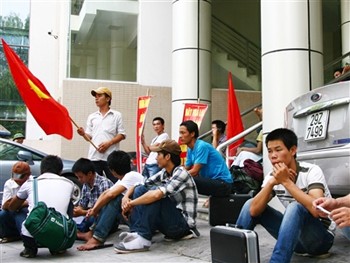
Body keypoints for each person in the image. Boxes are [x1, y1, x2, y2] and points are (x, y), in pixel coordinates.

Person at [236, 128, 335, 262]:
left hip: (320, 240)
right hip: (295, 242)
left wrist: (286, 182)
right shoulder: (272, 177)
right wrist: (272, 183)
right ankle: (234, 257)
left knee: (295, 207)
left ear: (293, 150)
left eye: (278, 150)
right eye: (270, 151)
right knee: (250, 203)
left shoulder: (311, 171)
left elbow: (317, 210)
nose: (273, 156)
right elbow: (253, 210)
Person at [114, 139, 199, 253]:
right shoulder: (165, 173)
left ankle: (143, 239)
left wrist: (131, 203)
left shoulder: (181, 173)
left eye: (158, 154)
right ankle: (137, 232)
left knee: (156, 194)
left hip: (183, 227)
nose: (155, 158)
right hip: (169, 223)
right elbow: (140, 184)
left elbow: (157, 195)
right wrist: (126, 197)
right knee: (141, 189)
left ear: (167, 156)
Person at [8, 155, 75, 258]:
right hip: (60, 234)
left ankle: (29, 248)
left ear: (41, 170)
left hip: (34, 235)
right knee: (69, 203)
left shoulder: (30, 183)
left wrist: (25, 203)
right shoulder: (69, 183)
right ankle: (58, 248)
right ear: (60, 171)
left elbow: (12, 207)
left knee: (19, 212)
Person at [76, 150, 144, 251]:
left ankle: (97, 238)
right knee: (105, 200)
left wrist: (94, 210)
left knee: (115, 198)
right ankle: (91, 233)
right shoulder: (122, 180)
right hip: (133, 215)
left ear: (112, 170)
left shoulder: (132, 175)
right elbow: (105, 193)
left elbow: (110, 195)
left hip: (140, 219)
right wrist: (94, 209)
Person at [77, 87, 126, 183]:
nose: (96, 98)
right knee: (94, 184)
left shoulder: (116, 115)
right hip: (94, 157)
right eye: (95, 96)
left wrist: (109, 143)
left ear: (108, 99)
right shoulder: (92, 116)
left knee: (115, 184)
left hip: (111, 158)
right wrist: (83, 134)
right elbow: (89, 137)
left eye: (99, 96)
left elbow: (122, 134)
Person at [179, 120, 232, 197]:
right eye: (180, 133)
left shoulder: (201, 146)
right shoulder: (190, 148)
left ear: (192, 134)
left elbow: (194, 171)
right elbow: (186, 168)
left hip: (223, 184)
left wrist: (176, 177)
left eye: (183, 133)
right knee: (182, 178)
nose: (180, 136)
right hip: (213, 182)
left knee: (188, 179)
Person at [72, 158, 114, 233]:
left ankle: (83, 232)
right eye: (77, 177)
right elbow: (82, 204)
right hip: (93, 214)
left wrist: (82, 212)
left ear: (89, 174)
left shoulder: (104, 183)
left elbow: (105, 211)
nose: (79, 180)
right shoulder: (86, 185)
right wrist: (76, 211)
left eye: (80, 177)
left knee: (91, 220)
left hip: (106, 218)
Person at [0, 161, 30, 243]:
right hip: (12, 210)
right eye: (14, 175)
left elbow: (32, 202)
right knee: (2, 214)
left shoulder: (32, 183)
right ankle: (10, 234)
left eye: (20, 176)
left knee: (21, 214)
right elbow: (5, 205)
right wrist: (18, 204)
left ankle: (26, 238)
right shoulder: (9, 183)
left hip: (26, 211)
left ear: (27, 175)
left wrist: (16, 203)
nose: (16, 179)